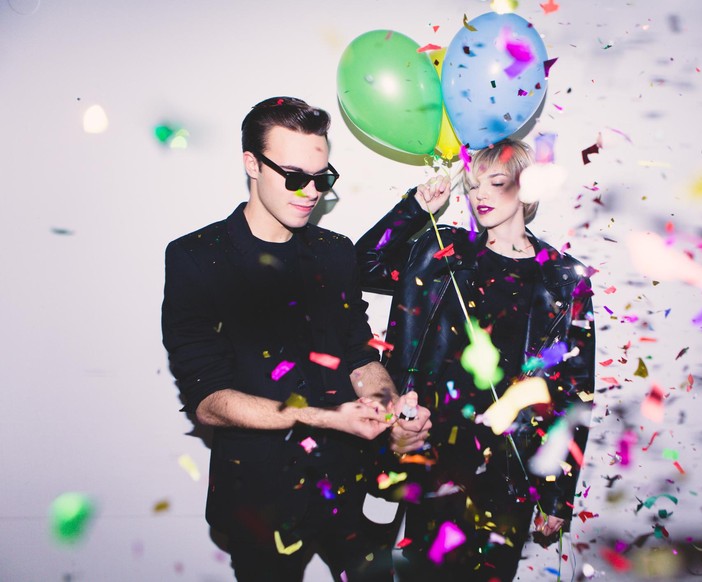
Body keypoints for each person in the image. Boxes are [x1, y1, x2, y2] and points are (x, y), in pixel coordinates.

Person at [161, 96, 430, 582]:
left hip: (352, 489)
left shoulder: (335, 254)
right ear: (251, 164)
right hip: (261, 499)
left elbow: (359, 354)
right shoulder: (197, 259)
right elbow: (208, 399)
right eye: (294, 176)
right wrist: (326, 416)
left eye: (322, 178)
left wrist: (391, 410)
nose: (311, 192)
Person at [355, 138, 595, 581]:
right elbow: (361, 264)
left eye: (496, 182)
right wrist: (414, 207)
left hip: (508, 468)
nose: (479, 195)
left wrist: (558, 496)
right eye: (472, 185)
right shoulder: (442, 250)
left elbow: (572, 391)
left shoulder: (564, 279)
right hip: (429, 453)